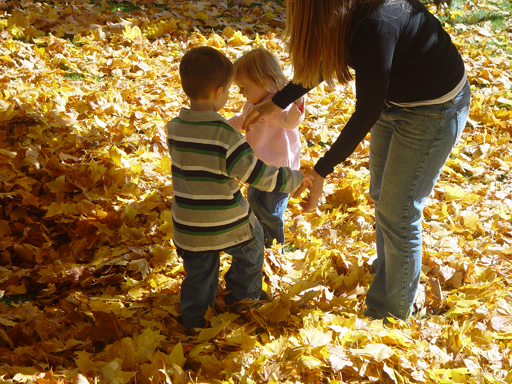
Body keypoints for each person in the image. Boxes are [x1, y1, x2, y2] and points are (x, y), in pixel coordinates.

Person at [243, 0, 471, 322]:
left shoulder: (375, 22)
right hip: (393, 100)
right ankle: (393, 270)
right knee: (382, 195)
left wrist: (321, 170)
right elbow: (327, 63)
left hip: (433, 109)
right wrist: (277, 102)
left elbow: (366, 111)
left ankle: (387, 315)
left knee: (399, 211)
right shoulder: (343, 16)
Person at [167, 46, 310, 328]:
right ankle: (243, 298)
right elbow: (257, 175)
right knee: (254, 246)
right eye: (232, 89)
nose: (237, 94)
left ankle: (195, 318)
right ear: (219, 92)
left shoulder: (175, 127)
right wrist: (294, 179)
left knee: (200, 270)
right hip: (225, 221)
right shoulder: (226, 137)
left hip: (187, 226)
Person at [229, 47, 305, 248]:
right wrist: (222, 125)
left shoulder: (279, 104)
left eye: (243, 87)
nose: (240, 92)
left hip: (278, 169)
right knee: (254, 199)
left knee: (271, 209)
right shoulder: (252, 104)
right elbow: (242, 119)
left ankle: (273, 247)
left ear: (263, 81)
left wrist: (298, 100)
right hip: (258, 166)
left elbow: (290, 121)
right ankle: (259, 233)